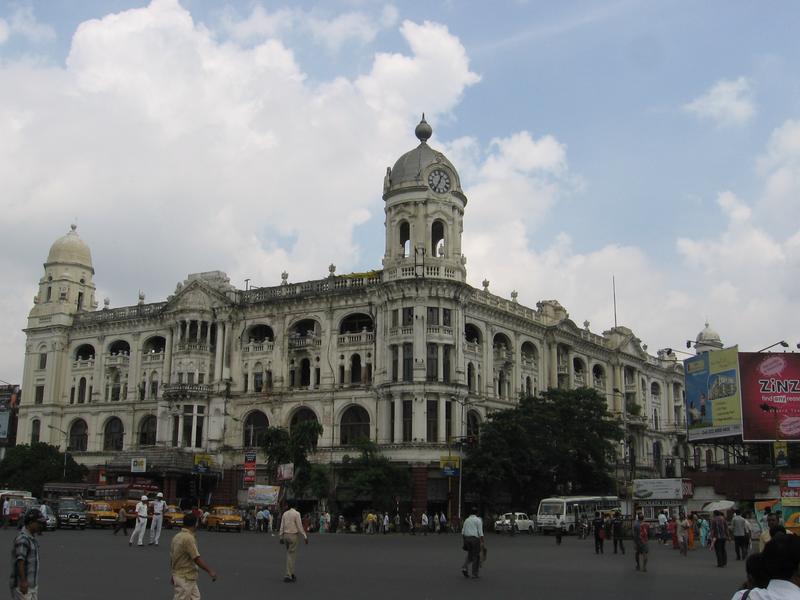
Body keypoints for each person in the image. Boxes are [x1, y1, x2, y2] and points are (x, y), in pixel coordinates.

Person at [170, 513, 217, 600]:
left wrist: (173, 573)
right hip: (185, 577)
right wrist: (210, 571)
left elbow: (173, 557)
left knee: (195, 597)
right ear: (195, 524)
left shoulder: (177, 537)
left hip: (183, 575)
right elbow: (196, 558)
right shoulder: (189, 538)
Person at [11, 509, 45, 600]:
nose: (40, 526)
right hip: (23, 586)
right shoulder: (23, 539)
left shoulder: (31, 538)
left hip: (32, 586)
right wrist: (23, 581)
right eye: (38, 523)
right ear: (30, 523)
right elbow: (20, 561)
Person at [279, 500, 308, 583]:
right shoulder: (297, 514)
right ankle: (288, 574)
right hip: (293, 535)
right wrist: (305, 536)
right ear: (296, 506)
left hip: (285, 535)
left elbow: (282, 525)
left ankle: (291, 573)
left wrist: (281, 537)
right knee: (291, 555)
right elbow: (299, 526)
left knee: (289, 553)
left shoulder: (285, 514)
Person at [461, 507, 484, 579]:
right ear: (477, 513)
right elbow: (480, 532)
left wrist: (464, 541)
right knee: (476, 556)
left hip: (466, 538)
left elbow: (463, 532)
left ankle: (464, 567)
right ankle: (474, 573)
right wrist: (482, 541)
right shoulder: (478, 520)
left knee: (470, 554)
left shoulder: (466, 520)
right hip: (475, 539)